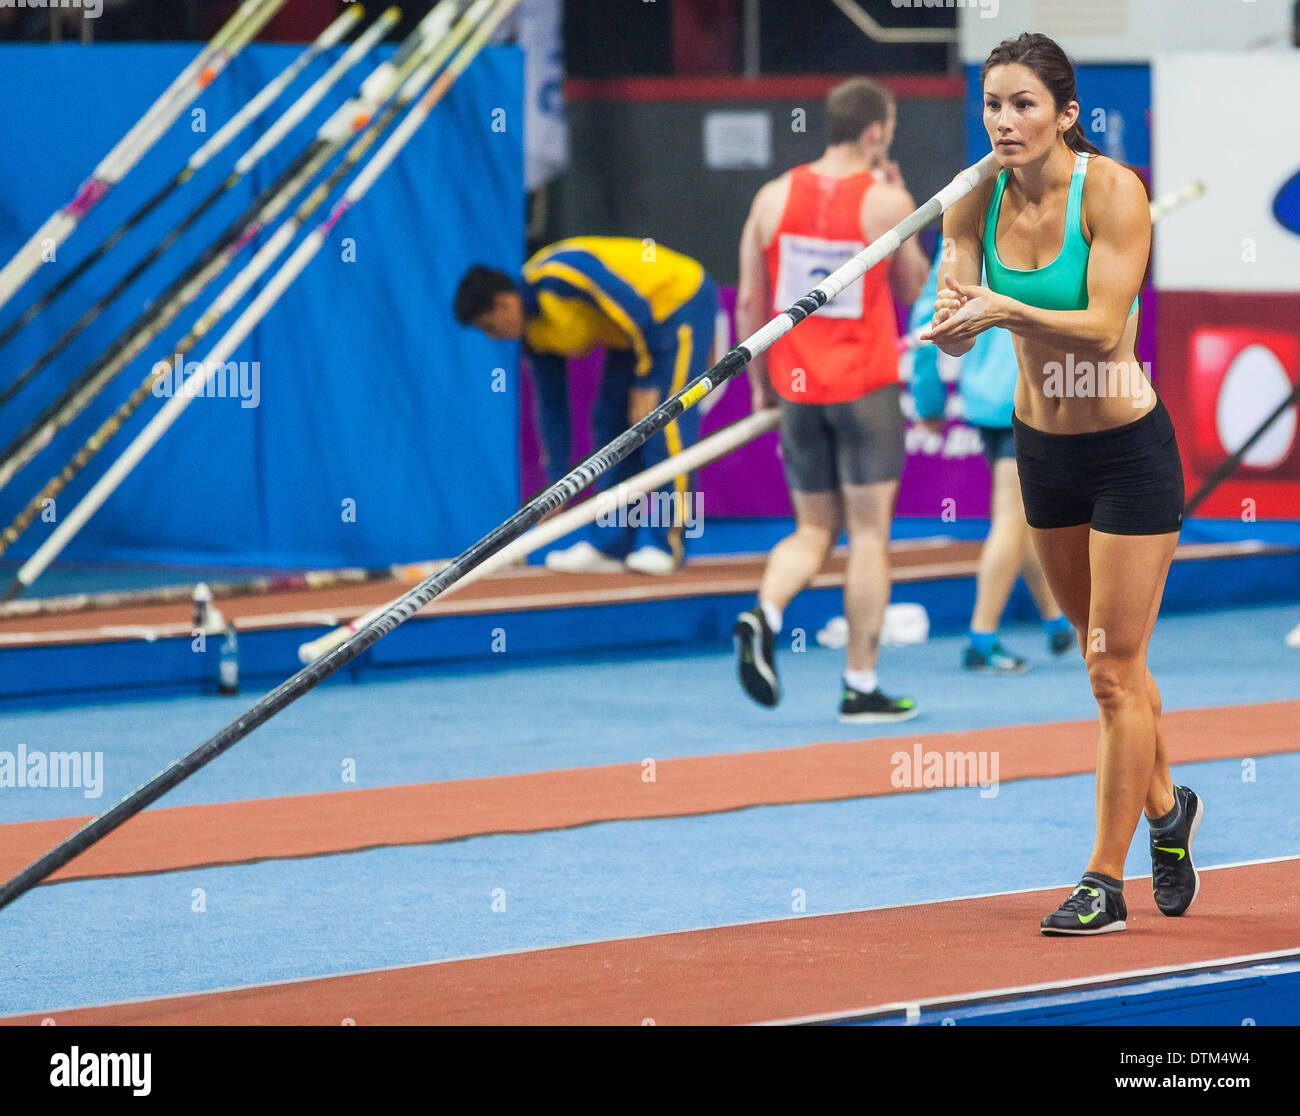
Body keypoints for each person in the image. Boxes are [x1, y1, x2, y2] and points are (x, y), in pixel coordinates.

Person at [922, 32, 1201, 935]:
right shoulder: (968, 200)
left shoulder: (1113, 191)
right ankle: (1167, 811)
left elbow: (1103, 324)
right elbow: (960, 319)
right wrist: (955, 319)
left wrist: (1004, 308)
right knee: (1109, 670)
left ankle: (1101, 883)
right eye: (993, 106)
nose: (1005, 121)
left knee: (1113, 668)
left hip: (1127, 450)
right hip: (1044, 454)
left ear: (1066, 114)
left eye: (1024, 105)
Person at [732, 77, 929, 723]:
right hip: (864, 386)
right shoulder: (886, 200)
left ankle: (763, 613)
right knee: (869, 536)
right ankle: (860, 685)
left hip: (797, 389)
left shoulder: (771, 197)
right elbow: (914, 291)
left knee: (813, 529)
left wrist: (763, 386)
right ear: (876, 130)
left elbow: (750, 305)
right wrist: (905, 218)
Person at [453, 238, 718, 575]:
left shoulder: (562, 277)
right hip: (630, 336)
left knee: (665, 428)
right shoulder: (533, 334)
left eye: (489, 327)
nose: (493, 337)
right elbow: (552, 407)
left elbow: (634, 307)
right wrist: (557, 482)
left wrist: (648, 380)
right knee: (612, 431)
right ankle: (610, 545)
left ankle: (668, 543)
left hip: (676, 305)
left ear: (504, 303)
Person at [908, 246, 1076, 673]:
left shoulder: (955, 247)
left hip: (985, 400)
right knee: (1011, 519)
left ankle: (1055, 618)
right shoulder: (1046, 233)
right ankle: (982, 638)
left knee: (1018, 518)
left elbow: (924, 324)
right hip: (1027, 399)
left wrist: (928, 400)